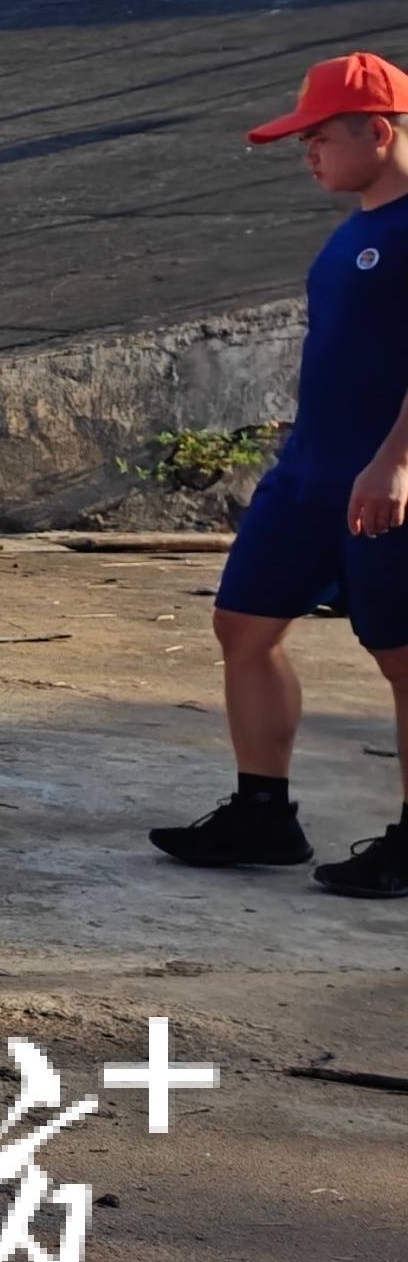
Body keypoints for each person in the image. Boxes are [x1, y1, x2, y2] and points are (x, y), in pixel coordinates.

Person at [151, 51, 408, 896]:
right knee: (244, 625)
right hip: (310, 475)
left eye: (319, 136)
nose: (308, 153)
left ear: (378, 130)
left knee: (402, 656)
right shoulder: (353, 232)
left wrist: (396, 461)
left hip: (386, 477)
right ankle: (265, 814)